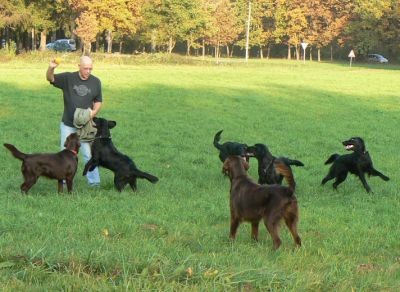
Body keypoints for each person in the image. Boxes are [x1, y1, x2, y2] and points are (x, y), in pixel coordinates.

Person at [46, 56, 102, 186]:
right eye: (85, 68)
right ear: (79, 66)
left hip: (85, 125)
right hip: (68, 124)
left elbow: (98, 101)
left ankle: (94, 183)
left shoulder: (96, 81)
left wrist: (92, 113)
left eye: (90, 68)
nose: (88, 71)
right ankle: (63, 180)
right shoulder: (68, 78)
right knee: (64, 154)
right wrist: (51, 68)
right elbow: (50, 78)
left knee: (88, 154)